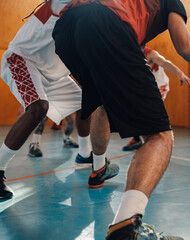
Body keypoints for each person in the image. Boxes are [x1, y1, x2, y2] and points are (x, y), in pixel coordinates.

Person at [52, 0, 190, 239]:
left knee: (101, 103)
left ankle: (98, 168)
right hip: (105, 24)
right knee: (160, 135)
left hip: (66, 30)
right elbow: (185, 45)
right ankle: (126, 226)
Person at [0, 0, 119, 200]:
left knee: (87, 103)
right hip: (22, 60)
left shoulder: (91, 17)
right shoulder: (64, 3)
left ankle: (85, 156)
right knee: (38, 108)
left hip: (54, 75)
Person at [123, 46, 190, 151]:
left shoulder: (150, 54)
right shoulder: (127, 52)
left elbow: (165, 62)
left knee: (149, 110)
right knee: (135, 108)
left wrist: (179, 73)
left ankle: (159, 137)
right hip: (145, 84)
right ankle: (137, 138)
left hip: (159, 83)